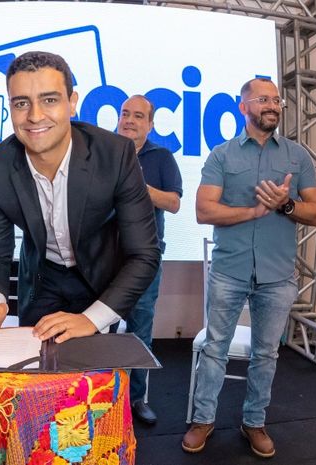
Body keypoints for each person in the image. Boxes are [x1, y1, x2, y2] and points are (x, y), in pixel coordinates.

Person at [0, 51, 161, 346]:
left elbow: (144, 254)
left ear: (72, 103)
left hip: (99, 280)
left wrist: (91, 319)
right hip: (40, 279)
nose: (35, 116)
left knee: (92, 370)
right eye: (21, 103)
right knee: (35, 366)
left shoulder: (115, 155)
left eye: (49, 100)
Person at [183, 77, 316, 458]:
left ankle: (254, 422)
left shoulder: (297, 156)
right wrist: (254, 211)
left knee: (266, 354)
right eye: (263, 99)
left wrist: (285, 205)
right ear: (243, 107)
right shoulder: (222, 155)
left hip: (278, 276)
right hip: (229, 270)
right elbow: (203, 210)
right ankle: (203, 420)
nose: (273, 105)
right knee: (215, 348)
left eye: (276, 100)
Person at [116, 95, 182, 425]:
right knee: (99, 330)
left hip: (145, 260)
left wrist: (138, 187)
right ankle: (100, 400)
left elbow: (173, 203)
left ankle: (136, 399)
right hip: (103, 258)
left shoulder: (162, 157)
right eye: (125, 113)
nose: (129, 120)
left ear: (151, 124)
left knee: (140, 329)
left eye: (138, 116)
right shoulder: (103, 152)